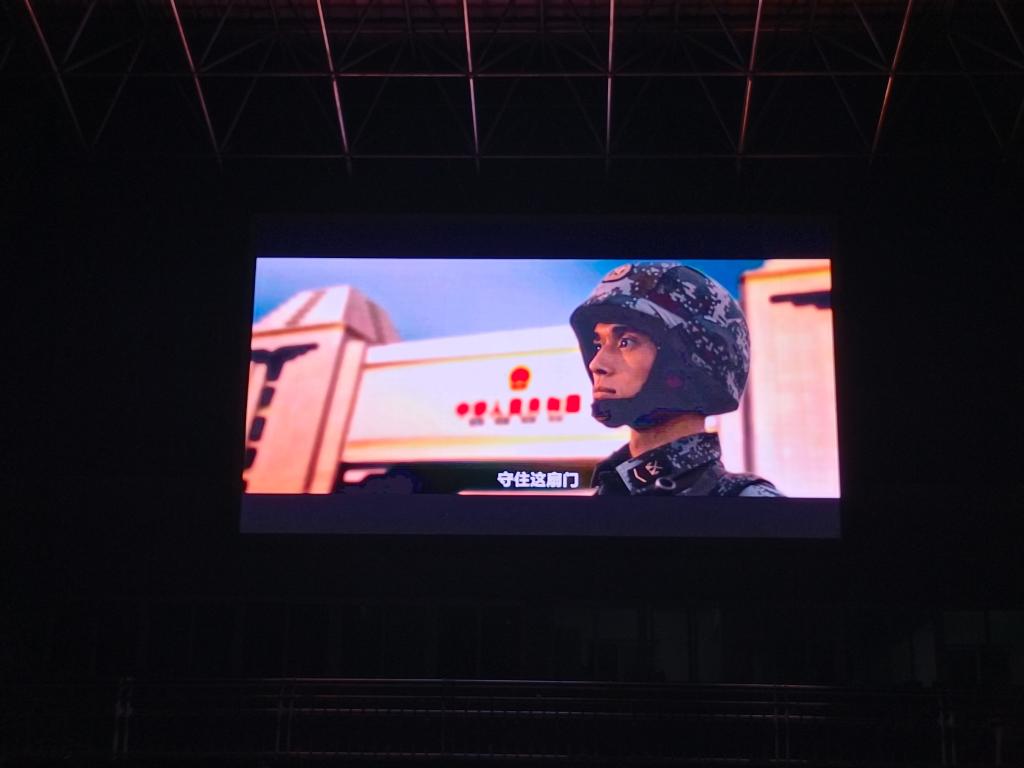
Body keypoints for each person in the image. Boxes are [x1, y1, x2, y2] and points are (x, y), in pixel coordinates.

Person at [569, 262, 783, 497]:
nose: (596, 364)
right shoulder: (611, 489)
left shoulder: (746, 503)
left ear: (687, 359)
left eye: (625, 342)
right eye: (598, 344)